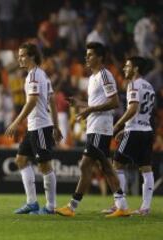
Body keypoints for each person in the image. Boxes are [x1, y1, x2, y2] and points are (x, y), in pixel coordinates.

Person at [55, 42, 129, 217]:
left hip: (100, 127)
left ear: (100, 57)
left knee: (89, 164)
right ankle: (121, 204)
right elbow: (95, 104)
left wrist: (89, 110)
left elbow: (115, 102)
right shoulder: (93, 78)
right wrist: (80, 104)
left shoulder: (105, 75)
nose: (86, 58)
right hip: (94, 127)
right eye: (86, 55)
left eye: (90, 55)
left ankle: (72, 206)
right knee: (102, 166)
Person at [5, 42, 62, 215]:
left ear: (32, 57)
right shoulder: (39, 74)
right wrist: (57, 126)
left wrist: (16, 122)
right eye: (19, 55)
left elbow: (32, 101)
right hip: (34, 127)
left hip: (40, 127)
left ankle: (51, 206)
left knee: (44, 165)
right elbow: (51, 99)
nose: (19, 58)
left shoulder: (35, 75)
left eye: (22, 55)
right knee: (21, 160)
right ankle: (32, 203)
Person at [103, 56, 155, 216]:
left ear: (136, 69)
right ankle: (145, 207)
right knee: (146, 169)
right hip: (147, 130)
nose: (124, 69)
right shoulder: (149, 86)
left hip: (135, 130)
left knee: (116, 165)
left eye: (127, 66)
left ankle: (120, 204)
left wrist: (118, 124)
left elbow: (133, 108)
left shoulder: (133, 84)